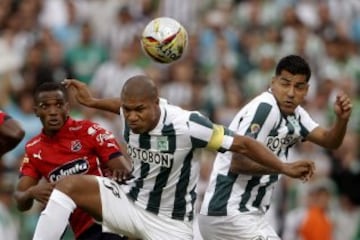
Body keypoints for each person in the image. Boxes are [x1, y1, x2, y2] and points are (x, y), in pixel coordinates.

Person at [32, 75, 314, 240]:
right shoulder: (130, 112)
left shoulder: (189, 125)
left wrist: (284, 167)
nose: (131, 117)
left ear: (157, 104)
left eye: (138, 110)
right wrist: (93, 102)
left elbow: (242, 144)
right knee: (68, 185)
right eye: (127, 110)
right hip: (131, 202)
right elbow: (122, 105)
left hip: (171, 225)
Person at [198, 55, 352, 240]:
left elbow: (330, 141)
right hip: (228, 211)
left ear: (307, 90)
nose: (291, 93)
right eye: (285, 84)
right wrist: (284, 167)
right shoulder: (265, 108)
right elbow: (238, 162)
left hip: (250, 215)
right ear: (273, 82)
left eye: (298, 87)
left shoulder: (297, 115)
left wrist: (342, 120)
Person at [14, 82, 132, 240]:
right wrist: (30, 193)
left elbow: (124, 171)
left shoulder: (89, 131)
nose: (53, 112)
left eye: (58, 105)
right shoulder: (34, 149)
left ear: (67, 108)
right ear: (36, 111)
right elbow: (20, 200)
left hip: (111, 221)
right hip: (84, 233)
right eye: (45, 106)